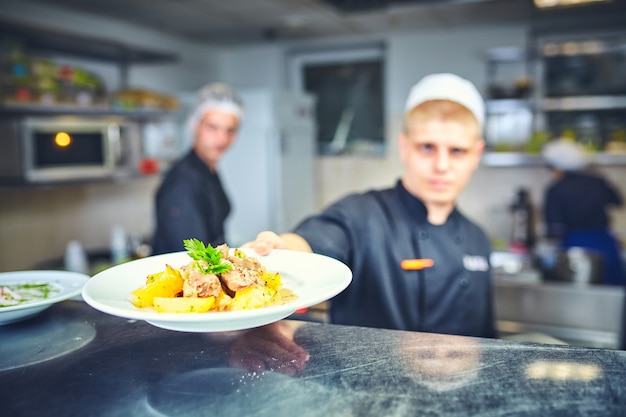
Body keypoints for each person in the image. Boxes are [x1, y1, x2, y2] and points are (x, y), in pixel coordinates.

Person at [244, 73, 496, 338]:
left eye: (457, 151)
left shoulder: (477, 239)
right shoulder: (359, 215)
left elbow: (488, 339)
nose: (442, 166)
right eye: (427, 147)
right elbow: (313, 241)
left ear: (476, 155)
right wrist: (282, 250)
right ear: (404, 147)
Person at [152, 83, 244, 255]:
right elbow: (192, 258)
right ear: (194, 124)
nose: (222, 138)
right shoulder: (183, 183)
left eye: (230, 130)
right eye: (212, 127)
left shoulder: (208, 169)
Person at [542, 138, 625, 286]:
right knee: (613, 289)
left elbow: (554, 229)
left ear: (558, 167)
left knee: (580, 294)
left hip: (574, 248)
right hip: (605, 242)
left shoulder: (556, 189)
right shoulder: (597, 181)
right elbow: (618, 202)